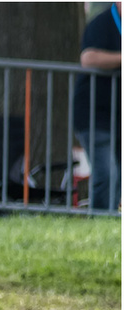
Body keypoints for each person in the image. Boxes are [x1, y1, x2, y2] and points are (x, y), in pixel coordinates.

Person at [75, 1, 121, 214]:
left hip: (117, 115)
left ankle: (111, 220)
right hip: (94, 113)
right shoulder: (102, 23)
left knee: (118, 173)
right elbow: (88, 58)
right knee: (106, 173)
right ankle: (100, 220)